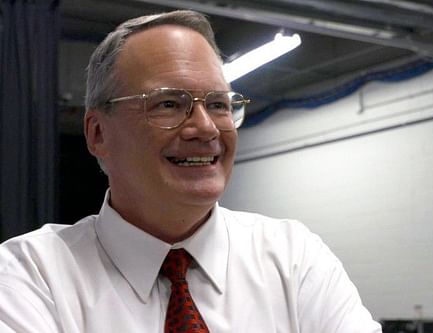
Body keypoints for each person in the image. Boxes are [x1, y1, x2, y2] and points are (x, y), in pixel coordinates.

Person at [0, 10, 382, 333]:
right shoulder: (30, 275)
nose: (206, 128)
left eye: (218, 104)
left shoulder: (294, 260)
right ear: (98, 133)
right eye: (168, 103)